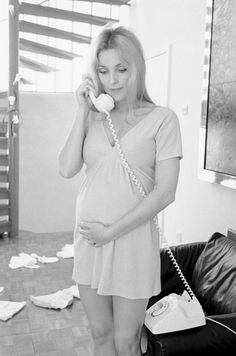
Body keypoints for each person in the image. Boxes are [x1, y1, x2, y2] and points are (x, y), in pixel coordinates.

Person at [58, 24, 182, 356]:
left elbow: (165, 192)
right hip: (90, 243)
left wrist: (110, 231)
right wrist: (82, 110)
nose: (113, 80)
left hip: (130, 244)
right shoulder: (94, 117)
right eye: (103, 70)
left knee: (126, 342)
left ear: (137, 67)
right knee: (100, 335)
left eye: (122, 69)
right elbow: (66, 168)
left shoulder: (163, 119)